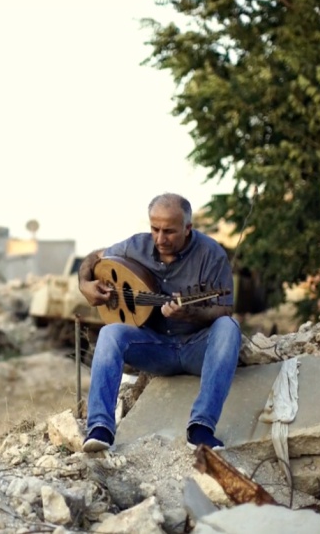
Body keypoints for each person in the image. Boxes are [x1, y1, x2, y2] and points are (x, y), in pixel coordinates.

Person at [78, 192, 241, 452]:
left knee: (229, 328)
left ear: (188, 228)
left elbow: (224, 309)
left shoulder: (211, 254)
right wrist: (85, 284)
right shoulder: (135, 247)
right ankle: (100, 428)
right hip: (154, 347)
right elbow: (93, 258)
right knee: (110, 333)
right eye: (155, 229)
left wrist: (191, 314)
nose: (160, 239)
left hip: (195, 348)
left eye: (169, 232)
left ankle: (201, 428)